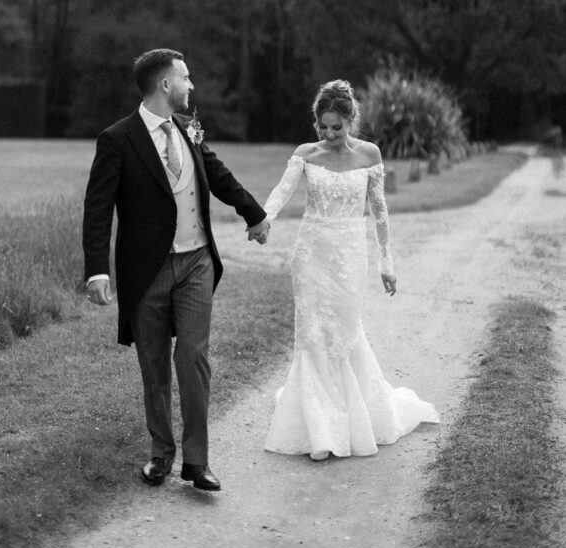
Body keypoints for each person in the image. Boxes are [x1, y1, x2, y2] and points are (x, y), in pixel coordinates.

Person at [83, 48, 270, 492]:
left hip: (196, 261)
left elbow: (217, 175)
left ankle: (197, 462)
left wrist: (254, 213)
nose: (191, 86)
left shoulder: (189, 127)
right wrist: (97, 270)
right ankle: (161, 454)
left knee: (193, 357)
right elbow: (98, 209)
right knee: (153, 364)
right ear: (165, 84)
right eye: (185, 78)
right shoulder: (118, 139)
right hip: (146, 270)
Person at [262, 79, 439, 461]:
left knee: (343, 331)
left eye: (336, 127)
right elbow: (281, 191)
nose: (329, 134)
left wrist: (386, 262)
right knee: (312, 335)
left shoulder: (369, 155)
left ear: (350, 120)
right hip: (311, 253)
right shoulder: (306, 154)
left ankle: (351, 416)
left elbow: (379, 211)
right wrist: (264, 219)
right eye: (322, 127)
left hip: (349, 254)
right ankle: (320, 428)